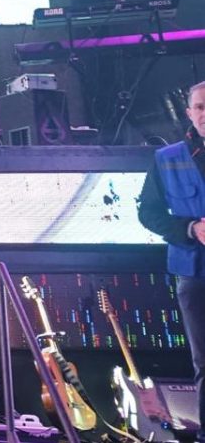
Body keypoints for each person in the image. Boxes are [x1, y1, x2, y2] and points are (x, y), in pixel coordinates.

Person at [139, 82, 205, 440]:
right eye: (200, 107)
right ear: (189, 112)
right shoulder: (167, 158)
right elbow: (149, 214)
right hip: (195, 274)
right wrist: (191, 228)